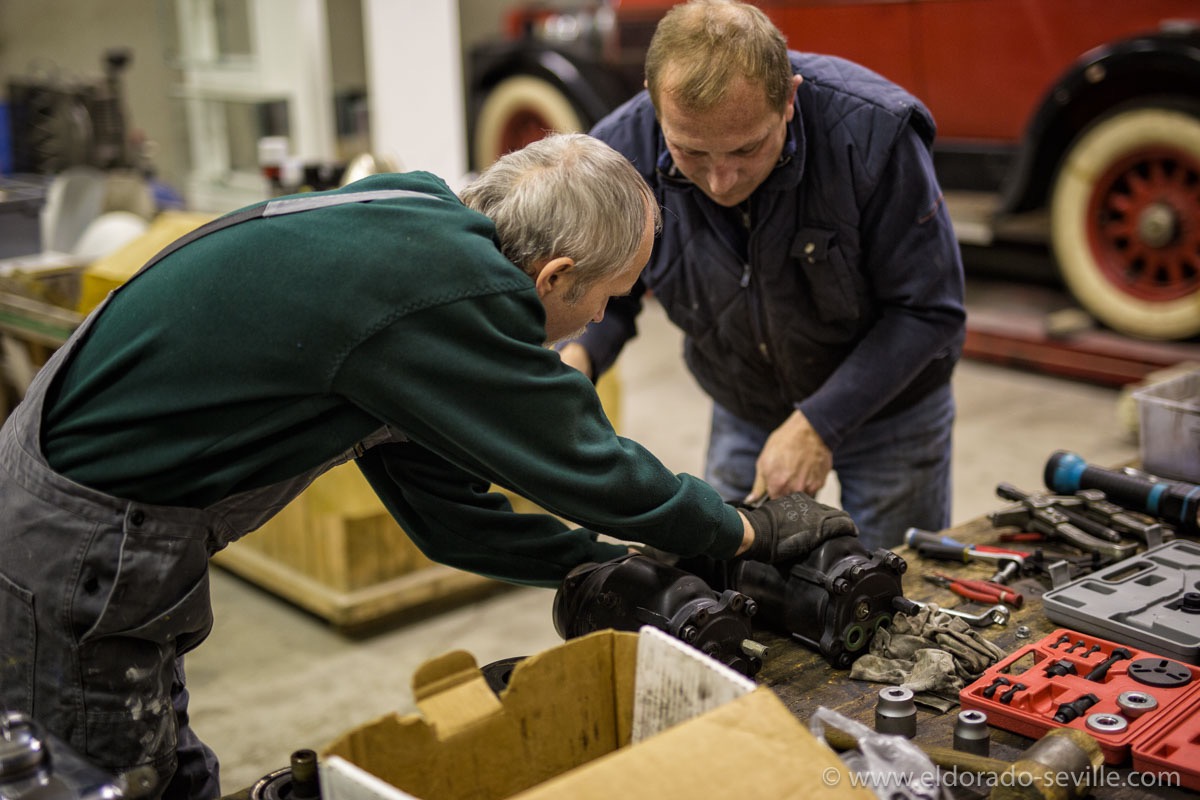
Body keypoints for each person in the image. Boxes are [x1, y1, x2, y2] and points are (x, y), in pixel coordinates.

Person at [0, 132, 854, 800]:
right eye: (607, 298)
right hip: (82, 538)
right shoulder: (452, 296)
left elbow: (445, 511)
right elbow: (584, 462)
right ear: (554, 275)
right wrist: (737, 529)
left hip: (89, 511)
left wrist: (594, 564)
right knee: (119, 779)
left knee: (174, 771)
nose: (600, 317)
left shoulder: (419, 235)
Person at [559, 0, 967, 551]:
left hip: (889, 408)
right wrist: (576, 361)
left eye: (747, 148)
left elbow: (929, 310)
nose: (721, 181)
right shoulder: (620, 153)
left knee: (892, 586)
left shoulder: (873, 133)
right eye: (690, 152)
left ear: (789, 99)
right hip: (744, 400)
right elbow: (611, 290)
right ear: (656, 103)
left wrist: (818, 423)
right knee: (731, 582)